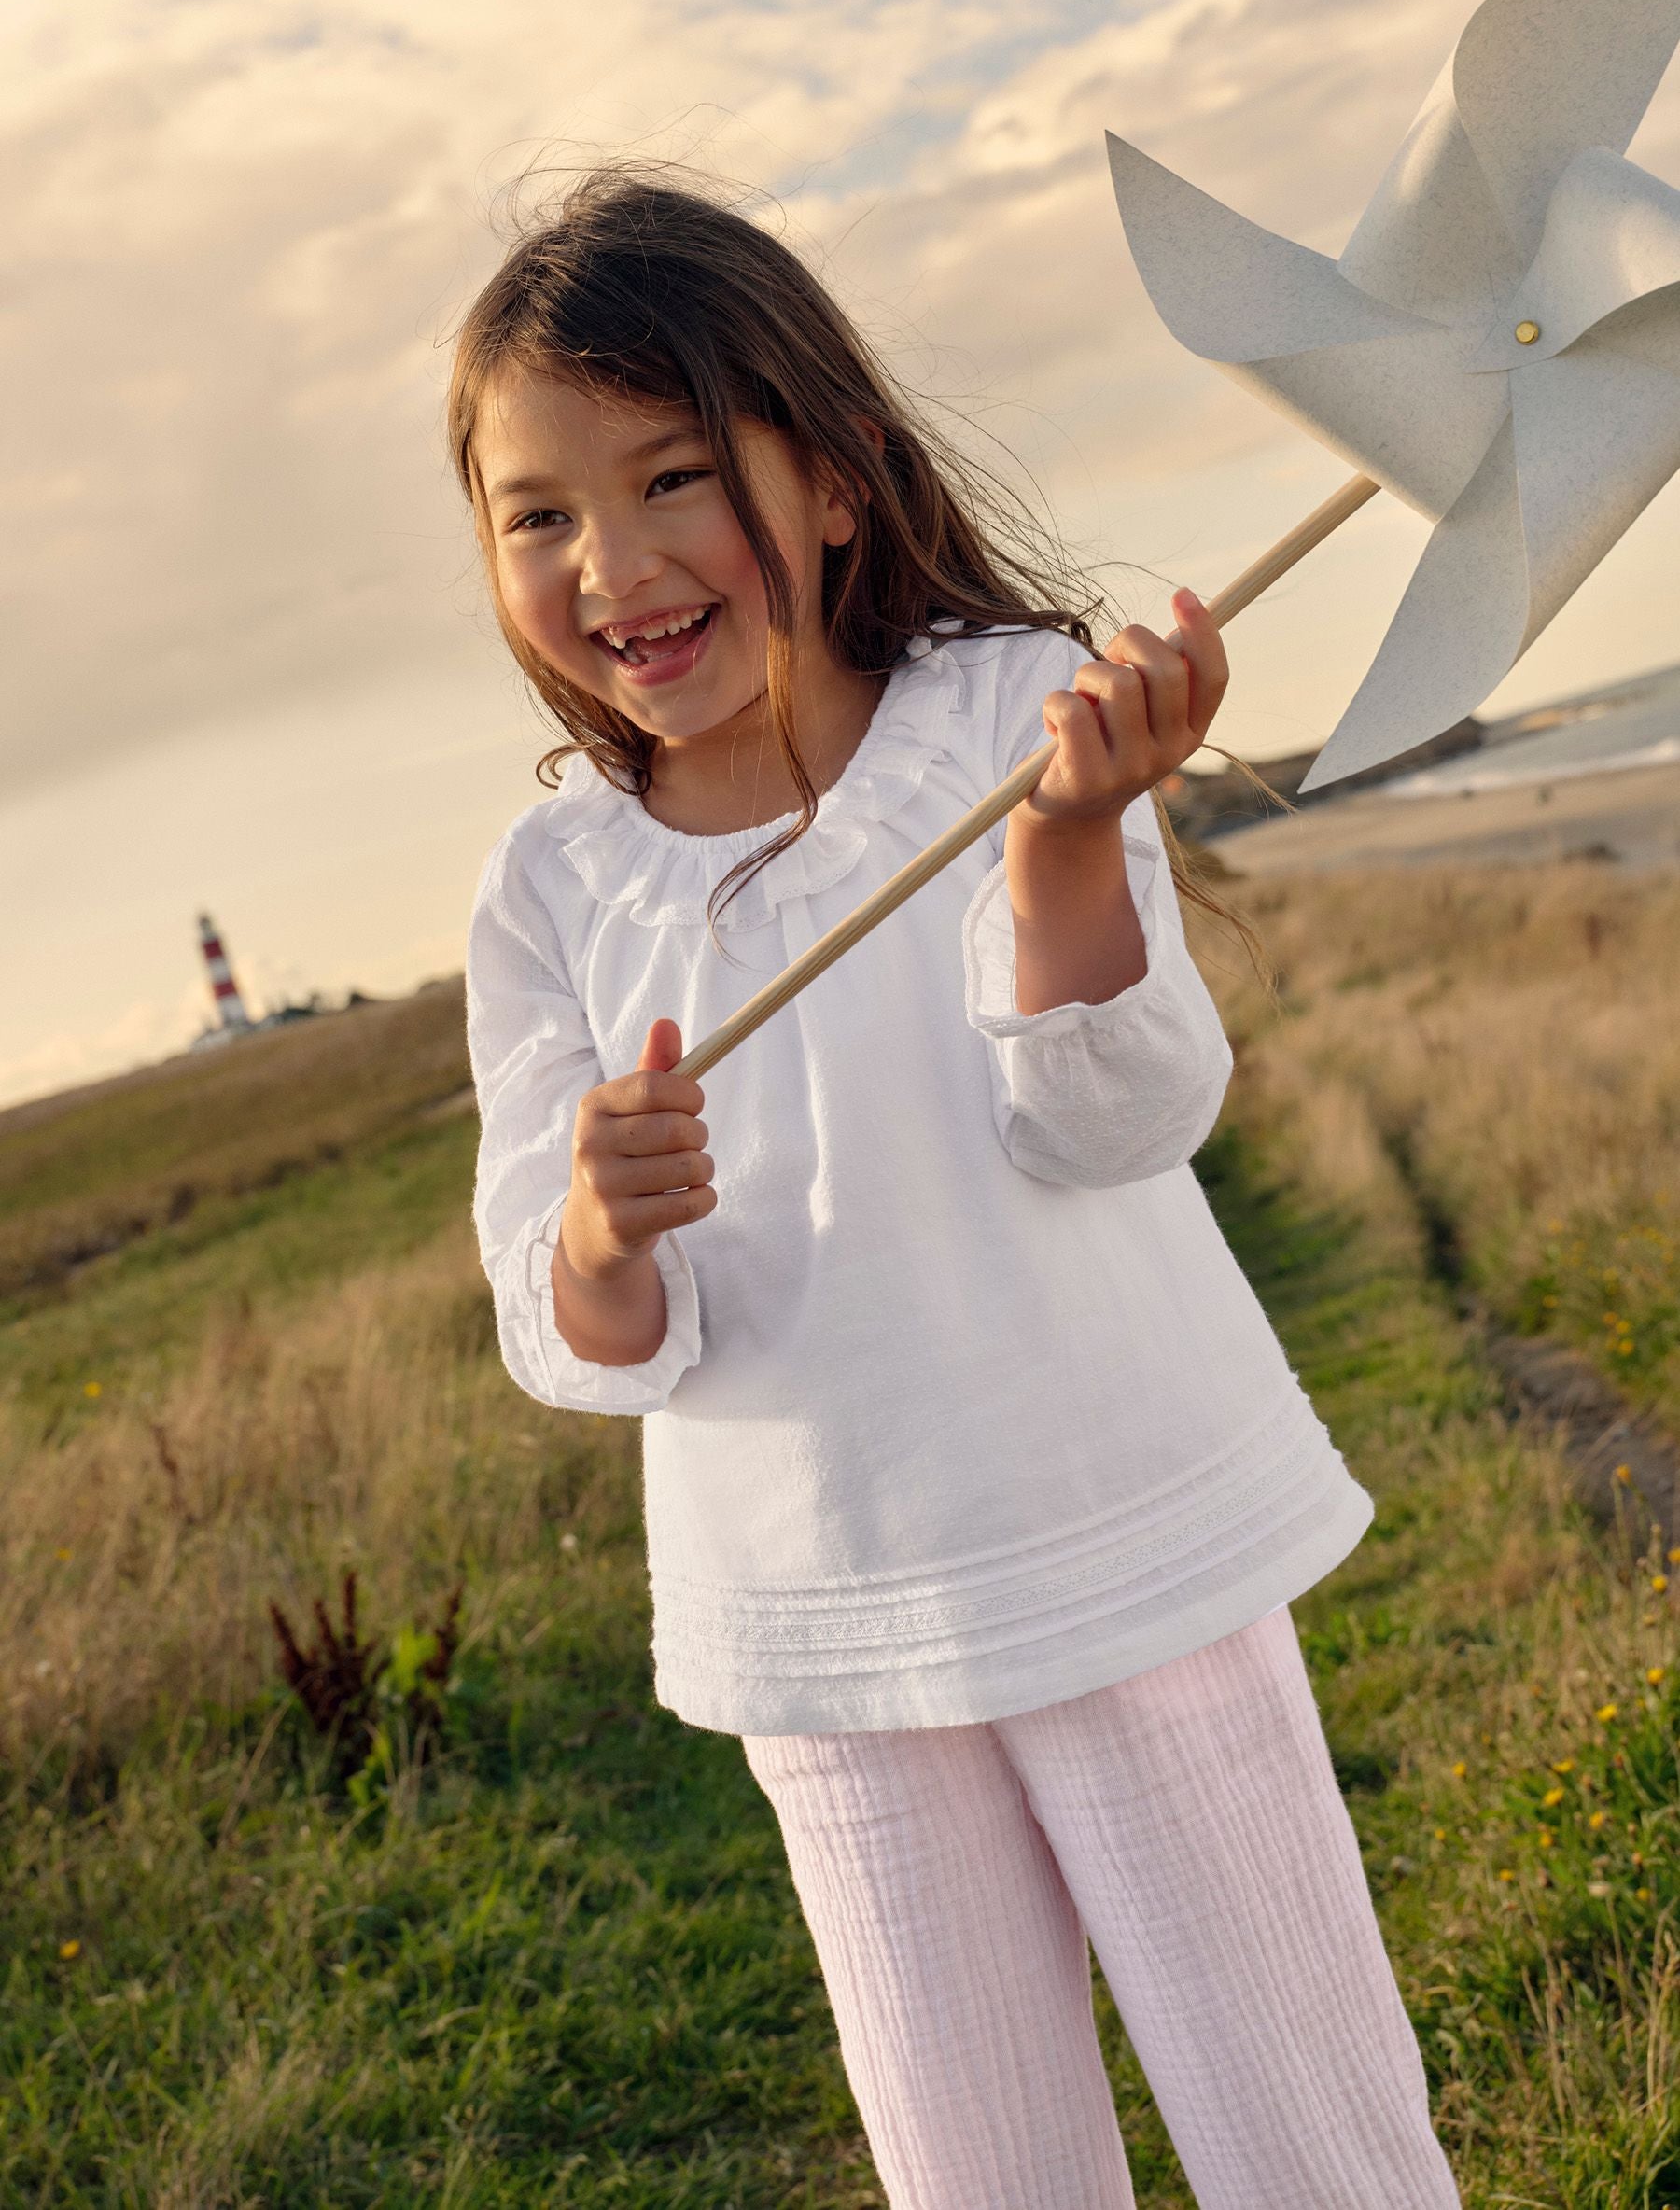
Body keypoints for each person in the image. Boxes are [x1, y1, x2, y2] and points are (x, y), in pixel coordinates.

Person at [456, 168, 1461, 2210]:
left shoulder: (1019, 721)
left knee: (1313, 2145)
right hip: (823, 1625)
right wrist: (595, 1233)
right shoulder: (553, 886)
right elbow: (573, 1333)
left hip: (1120, 1549)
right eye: (538, 512)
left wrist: (1071, 846)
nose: (612, 560)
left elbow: (1118, 1117)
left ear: (836, 484)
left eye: (672, 478)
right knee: (978, 2173)